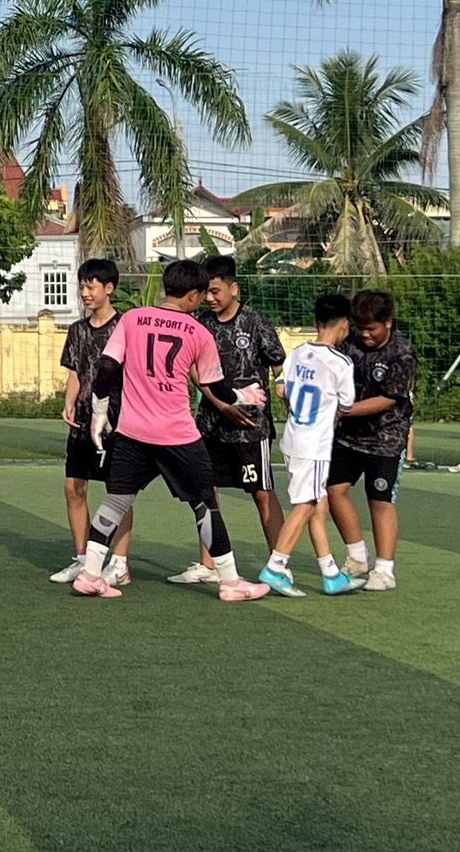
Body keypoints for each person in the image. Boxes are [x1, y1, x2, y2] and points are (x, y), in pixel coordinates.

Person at [69, 259, 268, 602]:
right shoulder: (199, 332)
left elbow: (106, 367)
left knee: (116, 501)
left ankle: (90, 575)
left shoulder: (132, 319)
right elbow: (215, 387)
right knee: (205, 503)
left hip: (132, 432)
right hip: (178, 434)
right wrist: (244, 395)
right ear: (193, 295)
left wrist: (99, 414)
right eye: (201, 295)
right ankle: (231, 582)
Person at [181, 256, 286, 586]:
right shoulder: (201, 323)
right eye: (205, 292)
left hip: (250, 430)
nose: (209, 298)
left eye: (215, 291)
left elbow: (279, 367)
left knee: (262, 493)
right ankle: (209, 565)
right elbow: (195, 369)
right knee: (206, 492)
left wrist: (284, 391)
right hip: (211, 426)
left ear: (233, 288)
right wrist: (220, 404)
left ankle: (279, 564)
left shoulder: (256, 323)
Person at [260, 294, 363, 597]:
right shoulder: (341, 363)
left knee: (319, 504)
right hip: (315, 445)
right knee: (306, 505)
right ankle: (276, 567)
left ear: (317, 322)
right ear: (344, 325)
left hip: (294, 438)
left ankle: (330, 573)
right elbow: (346, 404)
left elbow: (282, 388)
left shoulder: (297, 353)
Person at [326, 290, 415, 591]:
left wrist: (343, 410)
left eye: (371, 328)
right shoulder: (348, 343)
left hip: (386, 438)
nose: (364, 334)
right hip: (348, 436)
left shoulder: (401, 353)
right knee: (334, 490)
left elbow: (388, 399)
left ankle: (384, 571)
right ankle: (357, 557)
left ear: (388, 322)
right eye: (360, 327)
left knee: (380, 499)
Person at [52, 259, 125, 584]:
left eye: (91, 286)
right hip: (82, 423)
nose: (85, 292)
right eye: (82, 286)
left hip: (116, 424)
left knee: (118, 492)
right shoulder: (77, 330)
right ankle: (83, 560)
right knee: (74, 487)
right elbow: (75, 373)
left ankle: (119, 563)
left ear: (109, 288)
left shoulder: (125, 328)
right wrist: (69, 402)